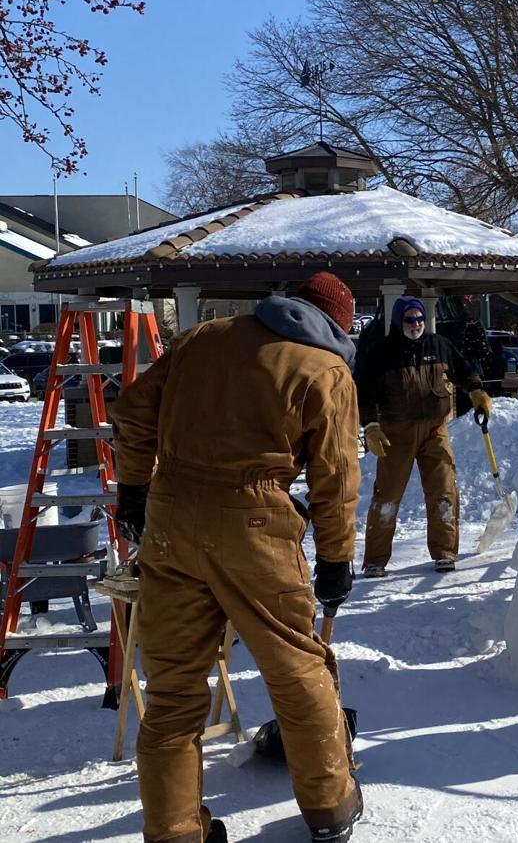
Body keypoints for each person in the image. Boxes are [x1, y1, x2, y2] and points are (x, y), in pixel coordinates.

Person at [110, 272, 364, 843]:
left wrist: (133, 491)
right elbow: (336, 477)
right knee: (297, 668)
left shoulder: (202, 338)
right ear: (337, 326)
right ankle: (331, 806)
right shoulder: (325, 369)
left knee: (173, 688)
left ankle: (174, 831)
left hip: (170, 521)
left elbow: (131, 412)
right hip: (256, 529)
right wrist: (335, 559)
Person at [356, 298, 492, 575]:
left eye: (419, 319)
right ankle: (375, 560)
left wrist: (476, 390)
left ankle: (444, 552)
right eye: (410, 320)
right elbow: (365, 393)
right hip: (395, 433)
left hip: (434, 430)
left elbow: (464, 369)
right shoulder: (382, 352)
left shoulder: (438, 345)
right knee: (388, 496)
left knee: (444, 491)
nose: (416, 324)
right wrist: (370, 426)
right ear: (398, 321)